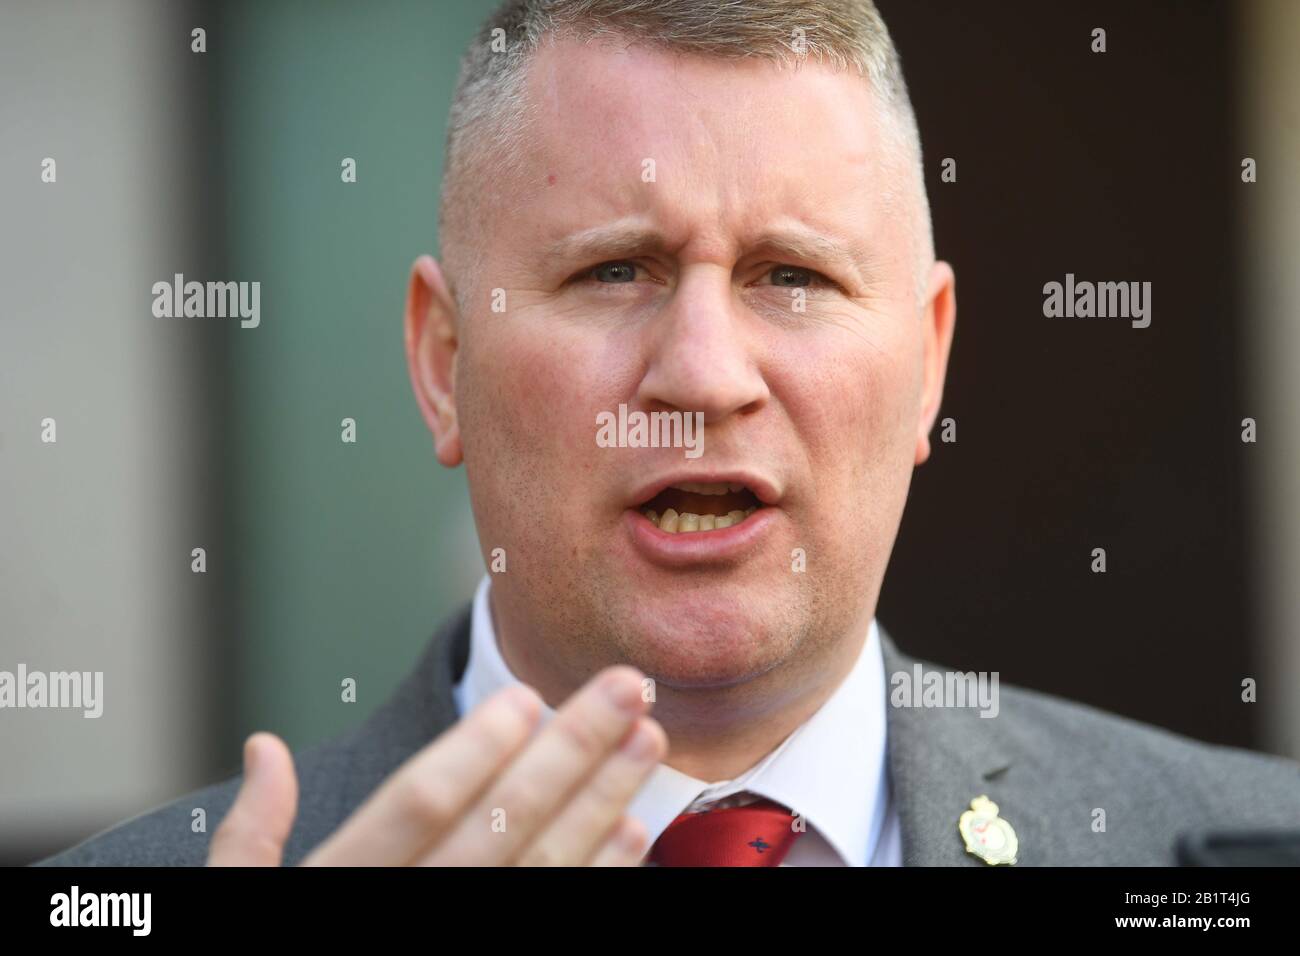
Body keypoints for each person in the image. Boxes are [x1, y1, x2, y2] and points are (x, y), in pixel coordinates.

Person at [39, 0, 1299, 868]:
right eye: (616, 271)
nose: (701, 372)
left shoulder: (1223, 844)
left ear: (927, 366)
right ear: (443, 362)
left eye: (791, 275)